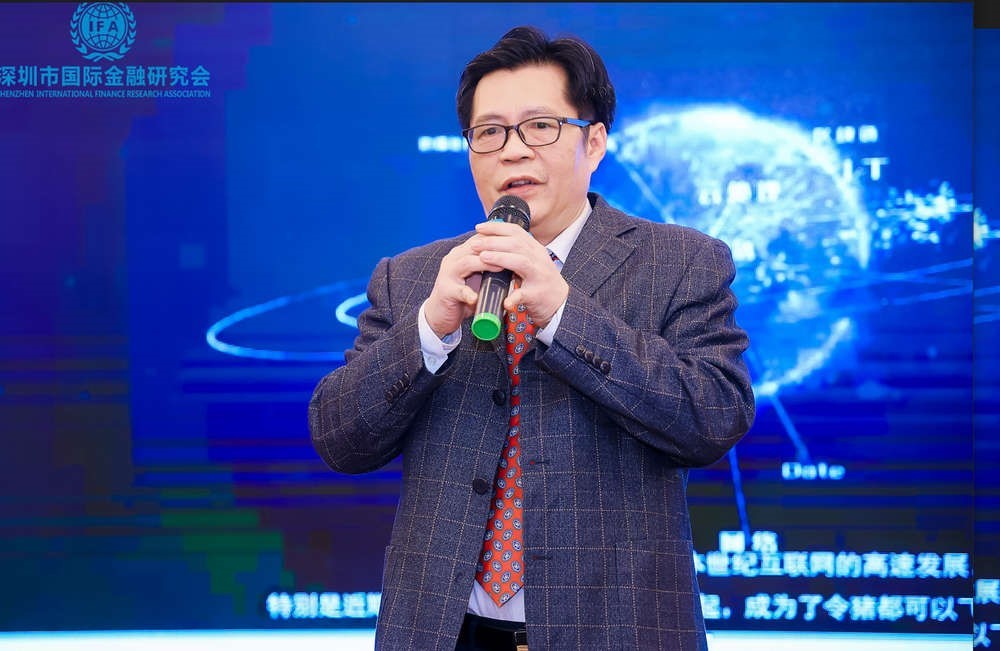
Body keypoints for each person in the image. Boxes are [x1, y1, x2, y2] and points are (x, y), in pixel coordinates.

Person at [309, 25, 755, 651]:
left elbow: (714, 416)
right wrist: (430, 328)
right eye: (489, 132)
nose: (512, 152)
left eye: (540, 126)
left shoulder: (681, 262)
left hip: (613, 633)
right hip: (440, 633)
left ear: (594, 142)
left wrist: (564, 315)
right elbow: (339, 439)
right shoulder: (412, 277)